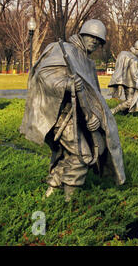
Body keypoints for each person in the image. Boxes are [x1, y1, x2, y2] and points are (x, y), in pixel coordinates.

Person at [20, 19, 126, 202]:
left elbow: (94, 97)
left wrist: (95, 119)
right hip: (61, 116)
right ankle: (70, 203)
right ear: (82, 34)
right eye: (90, 36)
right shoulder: (62, 50)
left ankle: (50, 194)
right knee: (82, 156)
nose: (93, 41)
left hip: (79, 118)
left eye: (98, 39)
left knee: (72, 154)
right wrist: (67, 84)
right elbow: (44, 77)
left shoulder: (88, 63)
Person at [108, 39, 138, 114]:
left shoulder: (126, 54)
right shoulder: (134, 60)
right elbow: (135, 75)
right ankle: (114, 111)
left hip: (127, 83)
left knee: (130, 100)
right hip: (131, 84)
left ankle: (126, 114)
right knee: (130, 101)